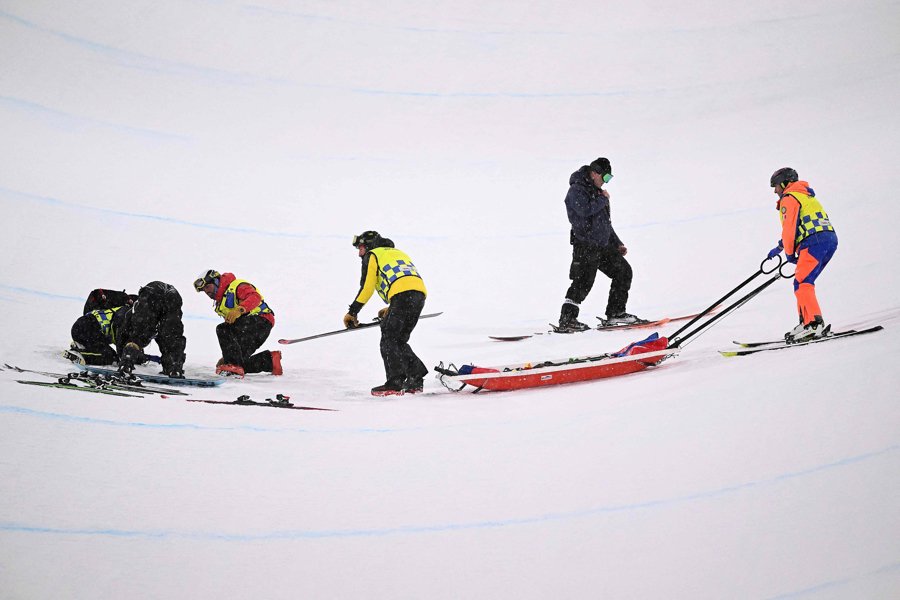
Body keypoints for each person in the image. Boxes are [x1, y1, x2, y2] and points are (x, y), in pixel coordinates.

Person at [557, 157, 641, 332]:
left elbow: (604, 222)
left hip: (603, 245)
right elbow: (583, 210)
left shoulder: (597, 192)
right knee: (582, 283)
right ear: (595, 173)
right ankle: (567, 320)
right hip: (585, 246)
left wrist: (616, 243)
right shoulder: (576, 190)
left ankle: (616, 313)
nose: (606, 182)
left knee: (623, 272)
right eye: (606, 178)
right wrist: (602, 200)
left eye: (609, 179)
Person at [343, 231, 429, 396]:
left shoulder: (373, 255)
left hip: (401, 296)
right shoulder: (398, 253)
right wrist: (392, 308)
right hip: (419, 295)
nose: (359, 253)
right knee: (399, 340)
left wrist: (352, 312)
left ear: (368, 246)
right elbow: (404, 279)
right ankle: (415, 378)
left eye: (360, 248)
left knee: (389, 338)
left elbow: (367, 287)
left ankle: (394, 382)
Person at [766, 167, 838, 342]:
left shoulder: (789, 198)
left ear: (785, 183)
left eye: (776, 186)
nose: (775, 191)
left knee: (803, 283)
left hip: (813, 243)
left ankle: (814, 324)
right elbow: (801, 224)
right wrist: (780, 247)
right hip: (828, 240)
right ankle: (806, 322)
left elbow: (790, 229)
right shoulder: (804, 195)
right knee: (802, 282)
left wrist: (789, 253)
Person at [194, 269, 282, 377]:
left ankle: (233, 365)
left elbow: (255, 297)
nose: (206, 292)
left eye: (207, 287)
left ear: (216, 281)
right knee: (240, 361)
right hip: (255, 327)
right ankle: (271, 360)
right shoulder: (221, 301)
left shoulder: (236, 286)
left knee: (222, 329)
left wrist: (239, 309)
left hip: (260, 320)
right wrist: (227, 356)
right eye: (203, 290)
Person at [117, 281, 187, 378]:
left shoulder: (130, 316)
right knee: (171, 336)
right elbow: (166, 337)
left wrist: (124, 356)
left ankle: (126, 365)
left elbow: (128, 336)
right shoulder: (134, 310)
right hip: (173, 296)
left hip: (151, 294)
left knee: (138, 336)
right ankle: (174, 368)